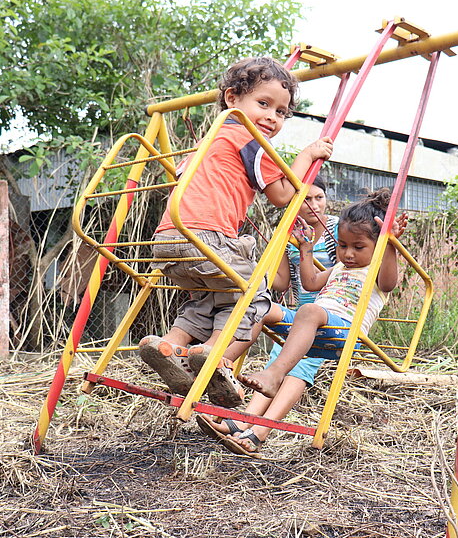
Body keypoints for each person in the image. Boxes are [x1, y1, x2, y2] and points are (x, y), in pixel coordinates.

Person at [139, 56, 333, 408]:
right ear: (232, 99)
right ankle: (214, 356)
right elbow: (282, 196)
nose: (272, 117)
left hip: (166, 241)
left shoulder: (207, 141)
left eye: (281, 112)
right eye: (264, 103)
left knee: (210, 297)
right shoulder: (250, 138)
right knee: (255, 295)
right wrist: (306, 156)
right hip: (205, 238)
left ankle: (169, 342)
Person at [218, 188, 407, 455]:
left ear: (376, 246)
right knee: (264, 306)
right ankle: (222, 364)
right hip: (316, 322)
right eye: (343, 246)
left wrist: (390, 246)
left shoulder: (376, 269)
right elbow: (310, 283)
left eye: (358, 247)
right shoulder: (340, 267)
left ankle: (274, 375)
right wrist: (306, 249)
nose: (348, 254)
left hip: (343, 331)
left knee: (310, 311)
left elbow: (389, 282)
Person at [195, 175, 339, 456]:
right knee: (265, 318)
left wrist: (308, 250)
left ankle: (259, 432)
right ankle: (236, 407)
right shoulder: (290, 232)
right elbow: (281, 283)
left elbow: (348, 269)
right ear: (294, 205)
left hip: (327, 314)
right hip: (299, 312)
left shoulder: (335, 232)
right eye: (305, 199)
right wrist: (271, 255)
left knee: (299, 365)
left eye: (318, 197)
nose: (313, 205)